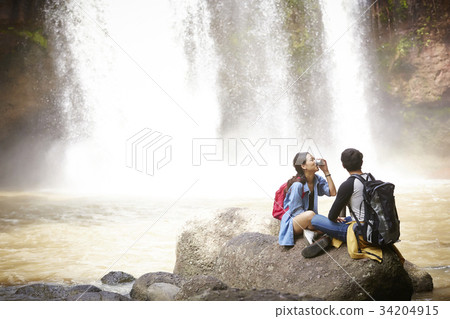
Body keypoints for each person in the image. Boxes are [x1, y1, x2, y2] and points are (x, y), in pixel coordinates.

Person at [301, 148, 372, 258]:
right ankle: (327, 238)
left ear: (343, 165)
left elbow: (332, 216)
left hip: (360, 234)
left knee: (315, 219)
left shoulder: (348, 184)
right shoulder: (371, 179)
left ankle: (328, 237)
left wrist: (335, 220)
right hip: (374, 227)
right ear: (361, 162)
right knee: (347, 219)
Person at [278, 152, 336, 246]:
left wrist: (326, 171)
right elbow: (296, 212)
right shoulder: (297, 185)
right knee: (311, 215)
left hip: (310, 220)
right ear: (303, 166)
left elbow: (332, 192)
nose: (316, 161)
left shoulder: (317, 179)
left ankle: (315, 233)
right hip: (293, 224)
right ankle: (314, 231)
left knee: (329, 219)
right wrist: (321, 222)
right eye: (312, 159)